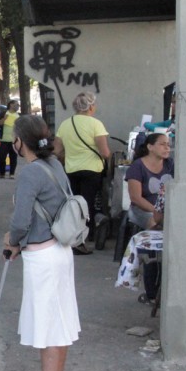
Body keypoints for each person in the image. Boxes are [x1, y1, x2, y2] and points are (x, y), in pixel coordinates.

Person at [2, 114, 80, 371]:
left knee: (47, 326)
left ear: (20, 142)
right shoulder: (55, 165)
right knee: (59, 319)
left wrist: (12, 241)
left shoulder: (29, 173)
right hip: (60, 250)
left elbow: (20, 221)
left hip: (42, 256)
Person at [53, 92, 110, 254]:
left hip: (71, 170)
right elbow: (105, 152)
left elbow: (56, 151)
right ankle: (84, 239)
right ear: (91, 106)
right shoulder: (96, 124)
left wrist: (71, 155)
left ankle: (74, 238)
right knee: (88, 205)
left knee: (74, 206)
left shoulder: (65, 124)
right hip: (92, 171)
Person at [126, 132, 174, 229]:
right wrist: (157, 212)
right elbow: (136, 198)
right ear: (150, 147)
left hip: (167, 210)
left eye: (168, 145)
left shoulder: (171, 164)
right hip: (143, 210)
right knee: (154, 223)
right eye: (162, 144)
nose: (167, 148)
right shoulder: (137, 166)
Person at [0, 99, 20, 178]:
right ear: (11, 105)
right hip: (3, 140)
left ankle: (12, 173)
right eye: (16, 104)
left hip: (14, 140)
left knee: (13, 157)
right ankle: (2, 173)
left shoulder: (18, 115)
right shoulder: (4, 113)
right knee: (2, 157)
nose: (17, 106)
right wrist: (4, 119)